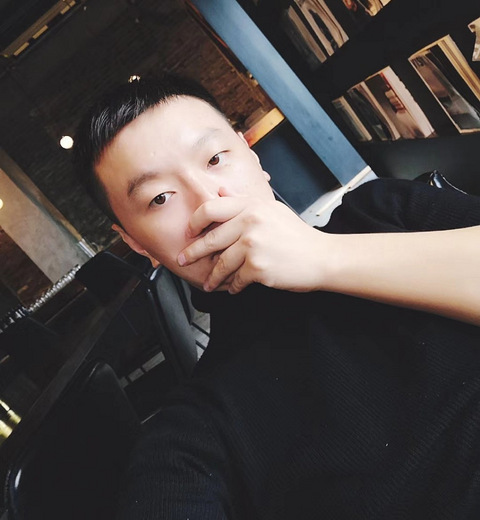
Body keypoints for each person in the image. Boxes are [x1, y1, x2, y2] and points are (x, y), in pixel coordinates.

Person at [74, 75, 480, 519]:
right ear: (136, 243)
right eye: (160, 198)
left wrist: (324, 257)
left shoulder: (384, 210)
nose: (209, 203)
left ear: (252, 157)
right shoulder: (195, 433)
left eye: (215, 159)